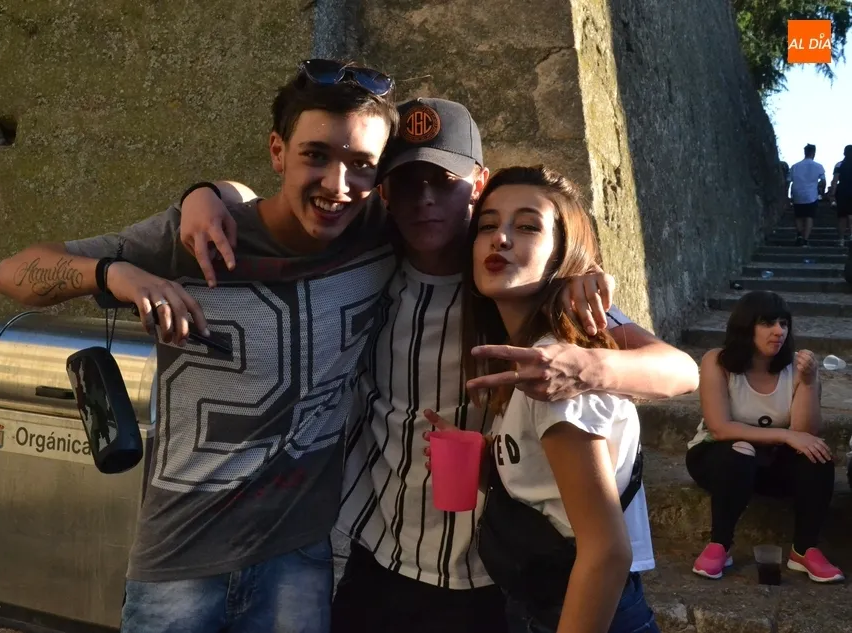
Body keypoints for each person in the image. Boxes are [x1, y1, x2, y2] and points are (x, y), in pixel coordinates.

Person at [179, 98, 699, 633]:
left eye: (443, 181)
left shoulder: (529, 285)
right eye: (406, 183)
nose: (424, 199)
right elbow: (272, 204)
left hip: (493, 577)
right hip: (377, 557)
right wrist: (204, 194)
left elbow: (682, 371)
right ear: (384, 191)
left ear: (477, 182)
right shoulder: (363, 259)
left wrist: (586, 365)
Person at [0, 59, 403, 633]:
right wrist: (116, 273)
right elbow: (12, 274)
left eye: (361, 164)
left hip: (297, 554)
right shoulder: (199, 236)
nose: (338, 185)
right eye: (315, 155)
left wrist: (209, 189)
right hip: (177, 558)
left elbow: (483, 217)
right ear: (278, 151)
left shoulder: (384, 232)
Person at [428, 165, 660, 633]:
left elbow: (606, 552)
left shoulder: (557, 372)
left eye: (528, 226)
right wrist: (490, 469)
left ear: (562, 253)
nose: (500, 239)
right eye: (487, 225)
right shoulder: (533, 359)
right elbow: (557, 506)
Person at [685, 291, 844, 583]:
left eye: (784, 323)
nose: (779, 331)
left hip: (771, 465)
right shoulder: (717, 362)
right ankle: (720, 544)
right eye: (768, 323)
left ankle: (804, 549)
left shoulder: (797, 366)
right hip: (719, 461)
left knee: (817, 455)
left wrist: (809, 383)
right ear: (746, 326)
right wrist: (784, 435)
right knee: (739, 449)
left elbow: (805, 433)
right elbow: (719, 427)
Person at [788, 144, 827, 247]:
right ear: (814, 153)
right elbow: (823, 181)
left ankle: (800, 235)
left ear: (804, 152)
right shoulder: (818, 166)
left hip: (797, 194)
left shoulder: (795, 166)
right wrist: (821, 192)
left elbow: (788, 181)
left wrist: (787, 194)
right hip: (811, 195)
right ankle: (805, 239)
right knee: (809, 216)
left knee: (798, 216)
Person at [828, 145, 852, 248]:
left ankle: (841, 239)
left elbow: (835, 180)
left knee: (842, 217)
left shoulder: (839, 164)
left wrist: (832, 194)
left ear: (844, 153)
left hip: (842, 191)